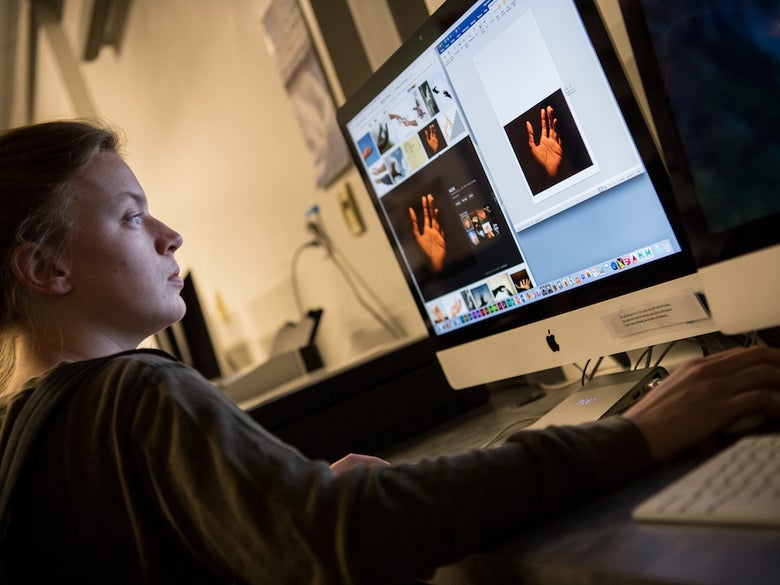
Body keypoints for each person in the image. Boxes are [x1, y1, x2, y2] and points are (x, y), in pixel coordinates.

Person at [0, 120, 778, 584]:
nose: (170, 235)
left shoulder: (21, 431)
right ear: (45, 267)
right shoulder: (135, 396)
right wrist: (638, 433)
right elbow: (346, 540)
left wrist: (285, 503)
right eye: (131, 216)